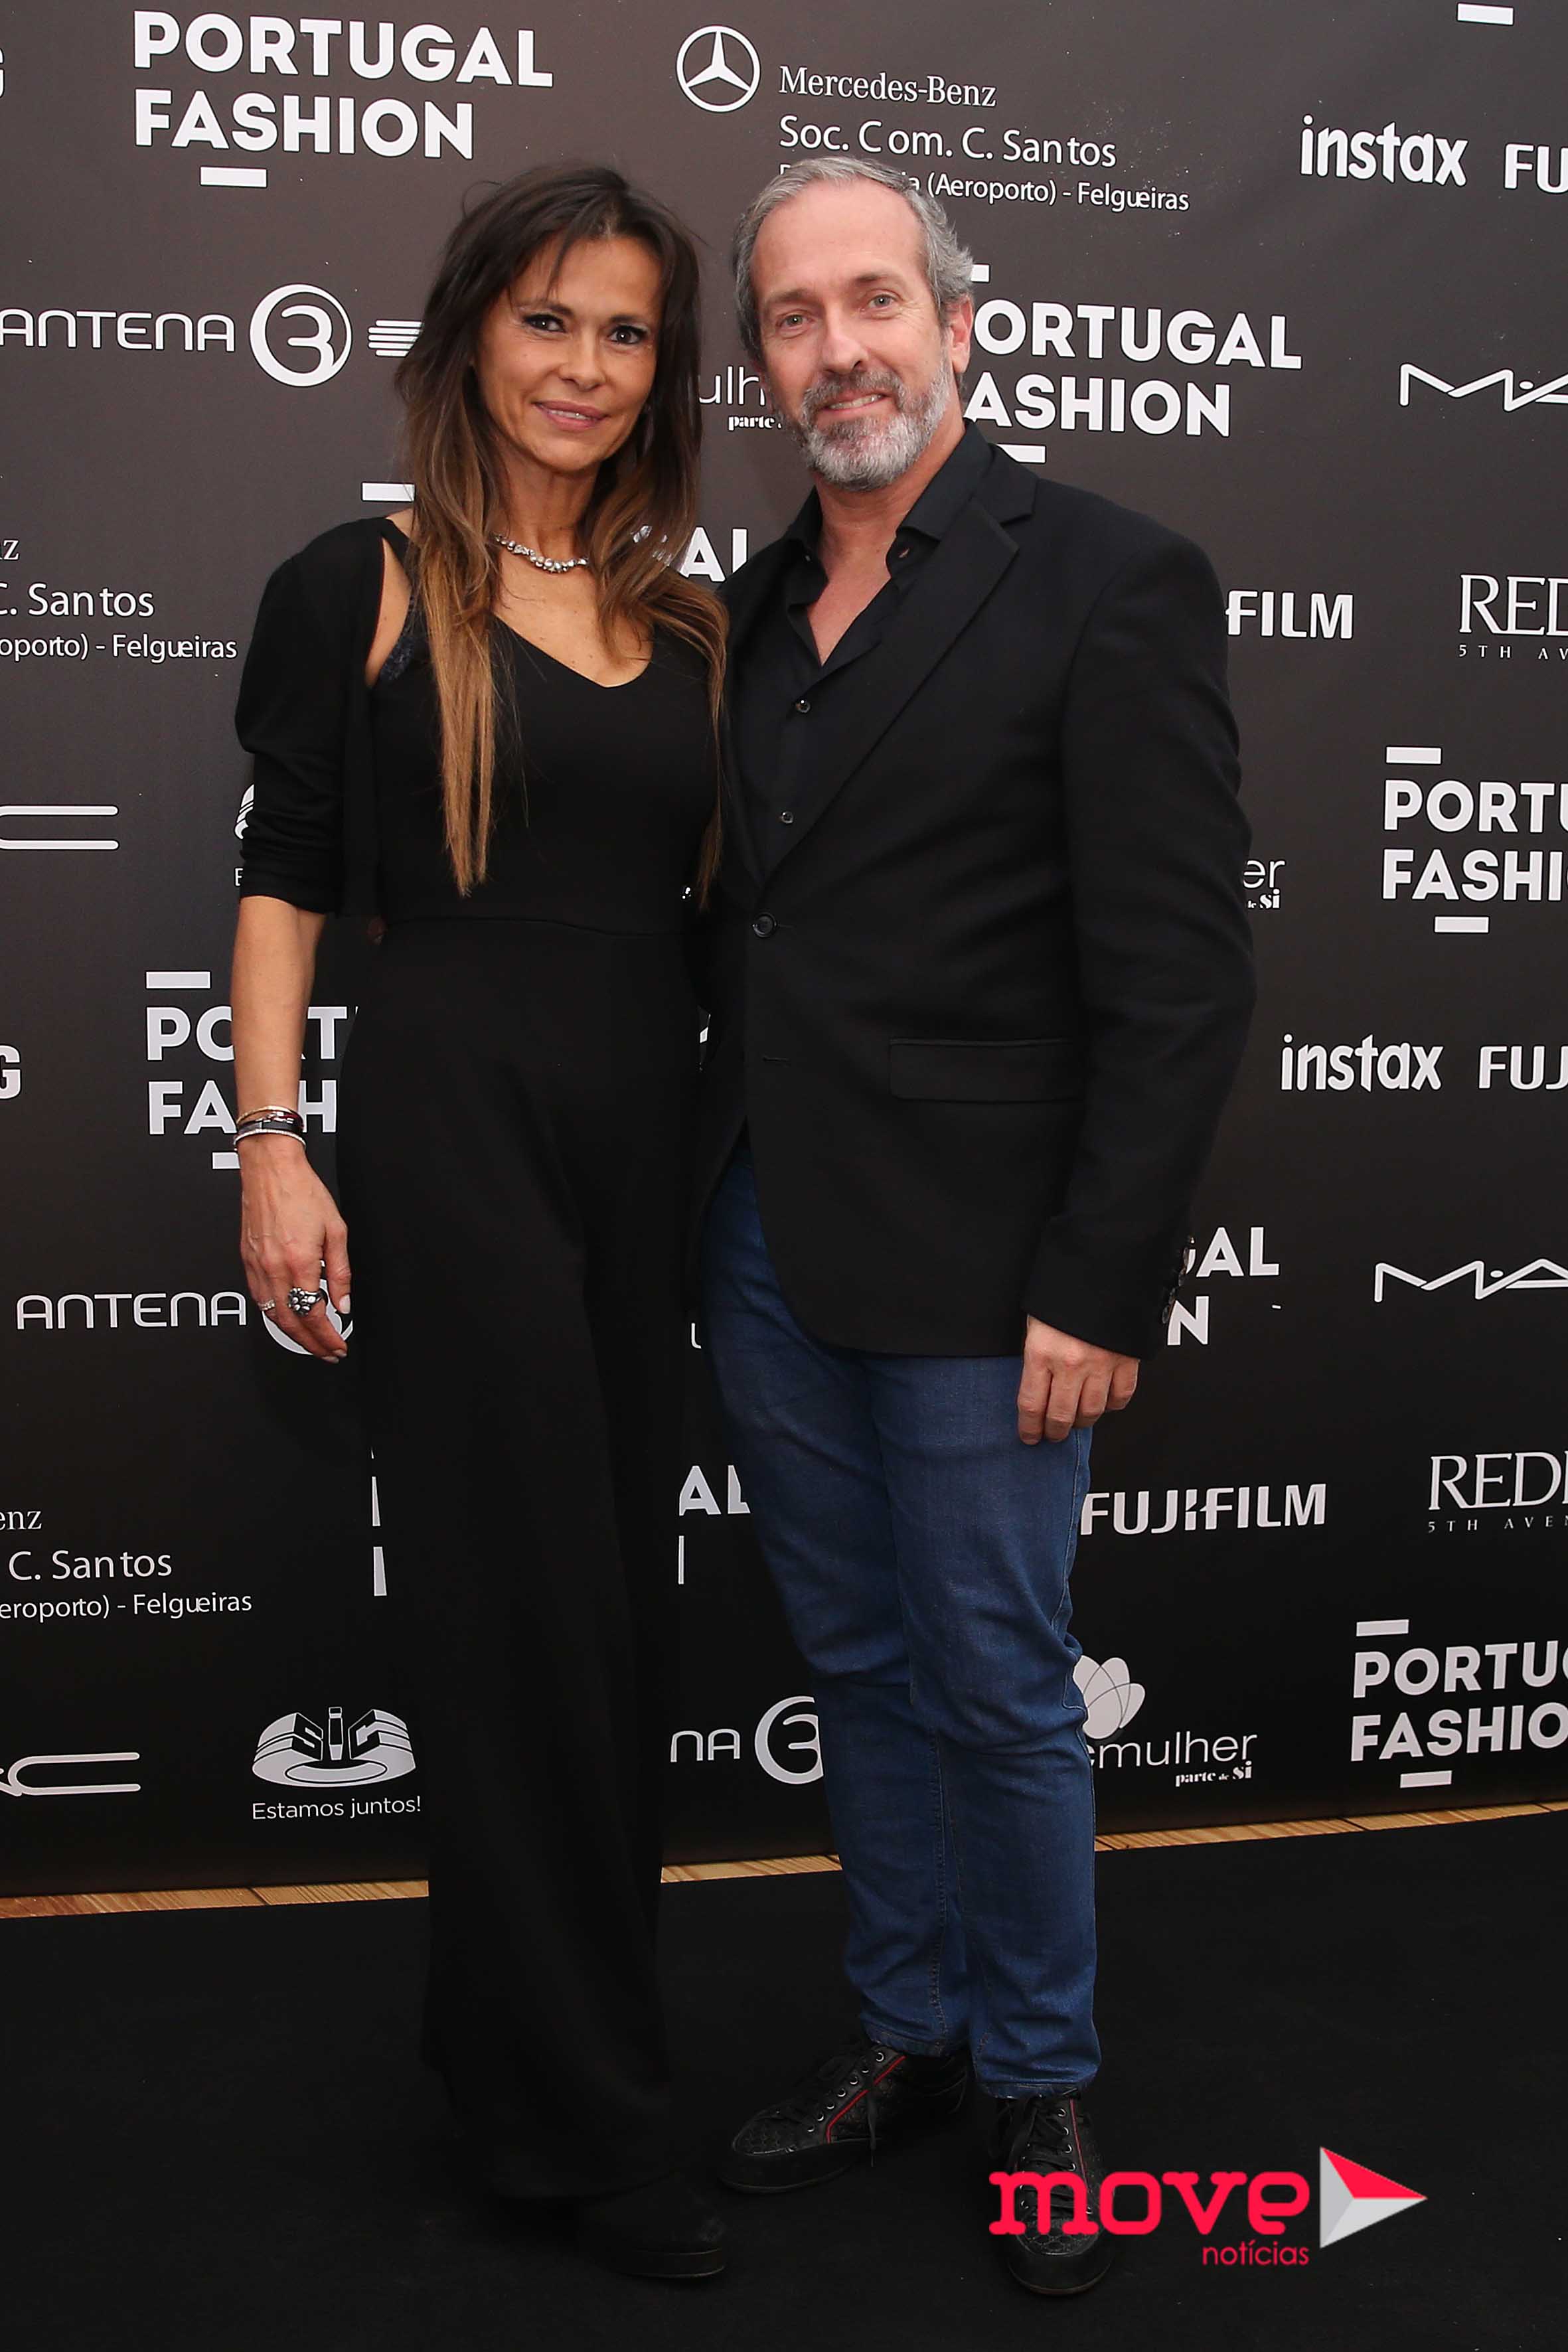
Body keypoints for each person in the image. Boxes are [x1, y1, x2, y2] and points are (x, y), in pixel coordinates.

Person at [693, 158, 1256, 2298]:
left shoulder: (1107, 574)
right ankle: (904, 2031)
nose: (838, 348)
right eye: (793, 317)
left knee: (998, 1681)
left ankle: (1036, 2075)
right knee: (854, 1663)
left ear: (952, 320)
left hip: (989, 1265)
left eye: (873, 302)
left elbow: (1178, 976)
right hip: (763, 1235)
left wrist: (1101, 1277)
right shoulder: (742, 607)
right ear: (761, 363)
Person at [228, 163, 728, 2282]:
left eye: (624, 332)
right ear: (465, 338)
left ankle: (512, 2046)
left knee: (608, 1627)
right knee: (516, 1622)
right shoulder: (355, 586)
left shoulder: (695, 625)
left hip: (649, 1157)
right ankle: (585, 2126)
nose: (582, 366)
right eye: (546, 319)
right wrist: (271, 1143)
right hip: (451, 1141)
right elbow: (284, 877)